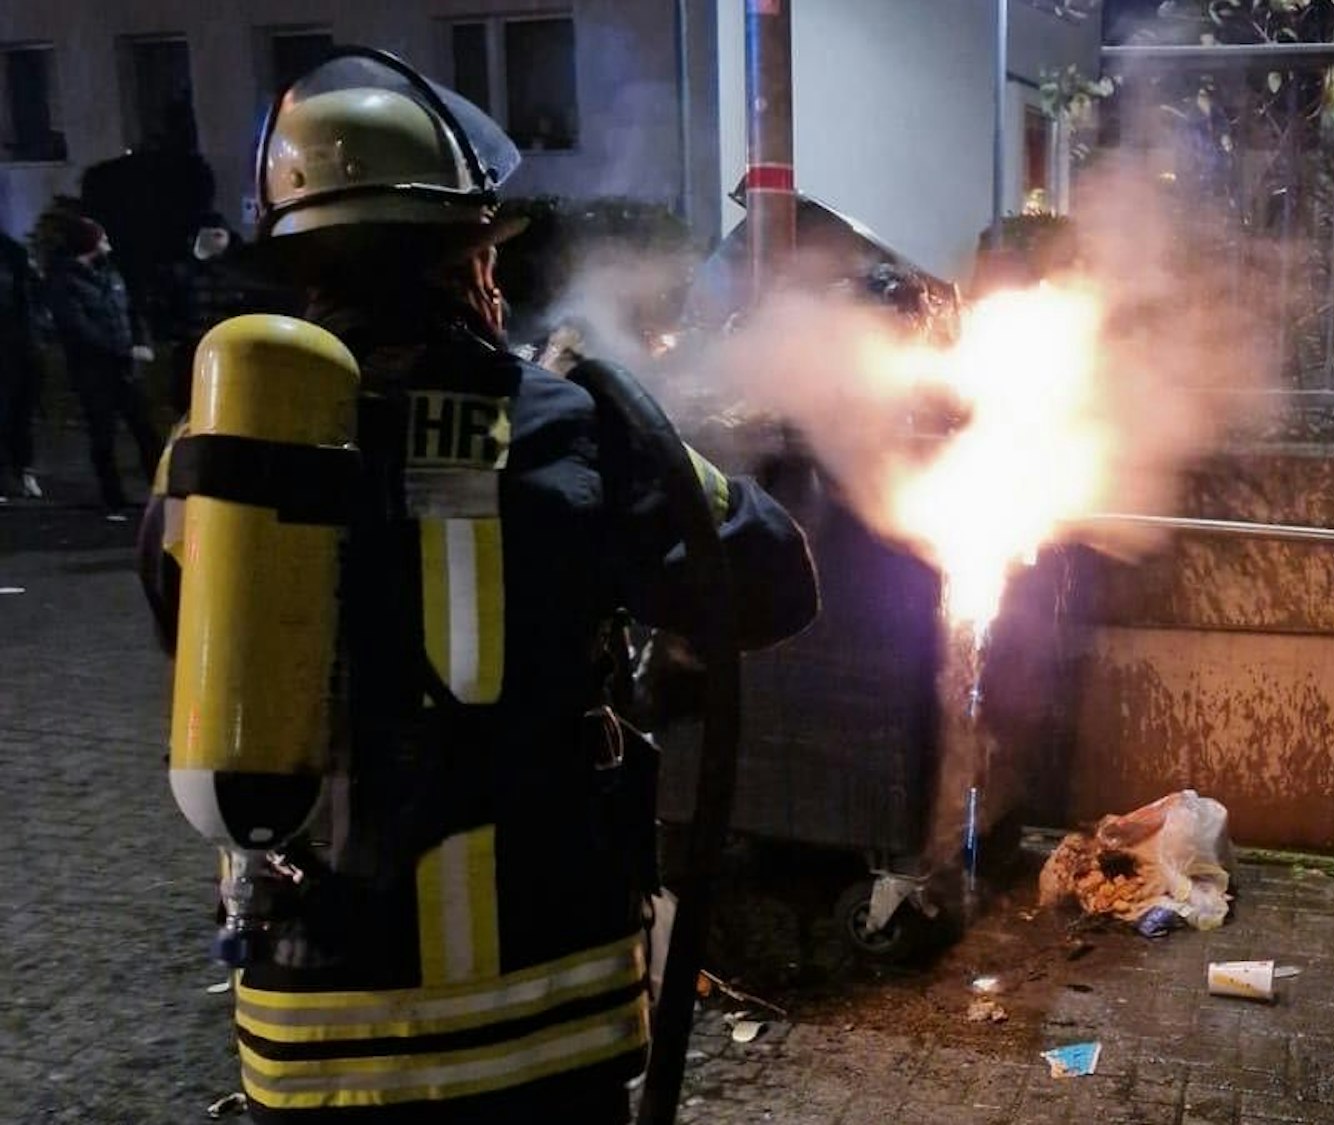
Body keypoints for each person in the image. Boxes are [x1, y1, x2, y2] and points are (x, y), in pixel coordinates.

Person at [139, 48, 818, 1124]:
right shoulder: (565, 424)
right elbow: (773, 581)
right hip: (544, 1024)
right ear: (470, 263)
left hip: (314, 1032)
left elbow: (189, 629)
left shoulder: (217, 455)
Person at [45, 213, 162, 515]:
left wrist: (142, 342)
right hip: (94, 374)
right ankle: (113, 499)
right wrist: (125, 350)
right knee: (103, 436)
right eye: (102, 238)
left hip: (125, 371)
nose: (108, 243)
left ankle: (161, 492)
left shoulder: (110, 274)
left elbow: (131, 312)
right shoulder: (66, 282)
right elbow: (78, 329)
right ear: (89, 243)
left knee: (146, 431)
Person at [158, 213, 299, 413]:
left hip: (229, 349)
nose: (215, 241)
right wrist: (176, 334)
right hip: (191, 348)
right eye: (210, 236)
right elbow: (168, 306)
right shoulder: (183, 271)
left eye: (219, 235)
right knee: (189, 404)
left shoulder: (241, 272)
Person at [0, 228, 41, 499]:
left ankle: (21, 469)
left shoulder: (12, 252)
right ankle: (8, 474)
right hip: (13, 342)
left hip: (18, 344)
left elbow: (27, 298)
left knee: (19, 412)